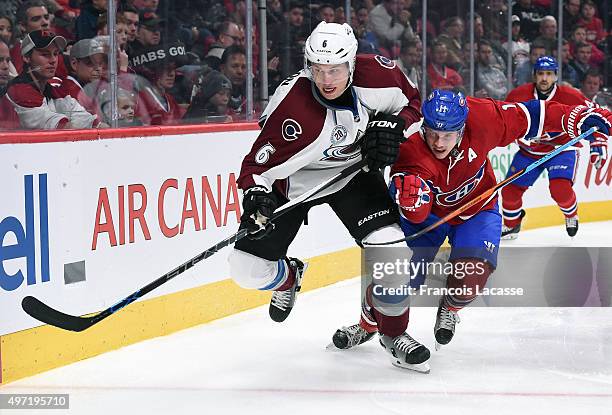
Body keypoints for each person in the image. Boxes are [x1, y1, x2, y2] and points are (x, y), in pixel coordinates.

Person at [331, 88, 610, 369]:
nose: (439, 143)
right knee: (397, 276)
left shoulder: (485, 117)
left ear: (463, 128)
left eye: (448, 135)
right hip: (430, 219)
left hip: (478, 209)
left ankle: (449, 307)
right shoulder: (410, 145)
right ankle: (369, 323)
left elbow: (536, 114)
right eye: (433, 134)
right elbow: (414, 210)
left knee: (472, 277)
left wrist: (578, 117)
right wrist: (411, 203)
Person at [228, 22, 428, 371]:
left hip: (352, 175)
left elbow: (412, 103)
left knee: (393, 250)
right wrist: (257, 196)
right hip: (294, 184)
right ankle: (288, 277)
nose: (326, 79)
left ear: (351, 63)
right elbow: (255, 165)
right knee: (247, 271)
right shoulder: (292, 106)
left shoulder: (380, 75)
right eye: (318, 70)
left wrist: (395, 126)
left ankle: (393, 333)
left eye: (335, 69)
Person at [501, 56, 594, 239]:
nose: (545, 78)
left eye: (549, 74)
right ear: (534, 75)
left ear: (556, 76)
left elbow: (593, 114)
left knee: (560, 189)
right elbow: (505, 121)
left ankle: (571, 215)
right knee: (509, 191)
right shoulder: (517, 96)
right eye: (541, 74)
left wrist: (596, 136)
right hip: (529, 152)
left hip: (562, 149)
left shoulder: (571, 96)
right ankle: (512, 224)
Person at [6, 30, 105, 130]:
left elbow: (88, 121)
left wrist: (98, 126)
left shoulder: (55, 91)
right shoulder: (18, 90)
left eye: (55, 54)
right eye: (45, 54)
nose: (53, 60)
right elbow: (61, 127)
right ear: (27, 58)